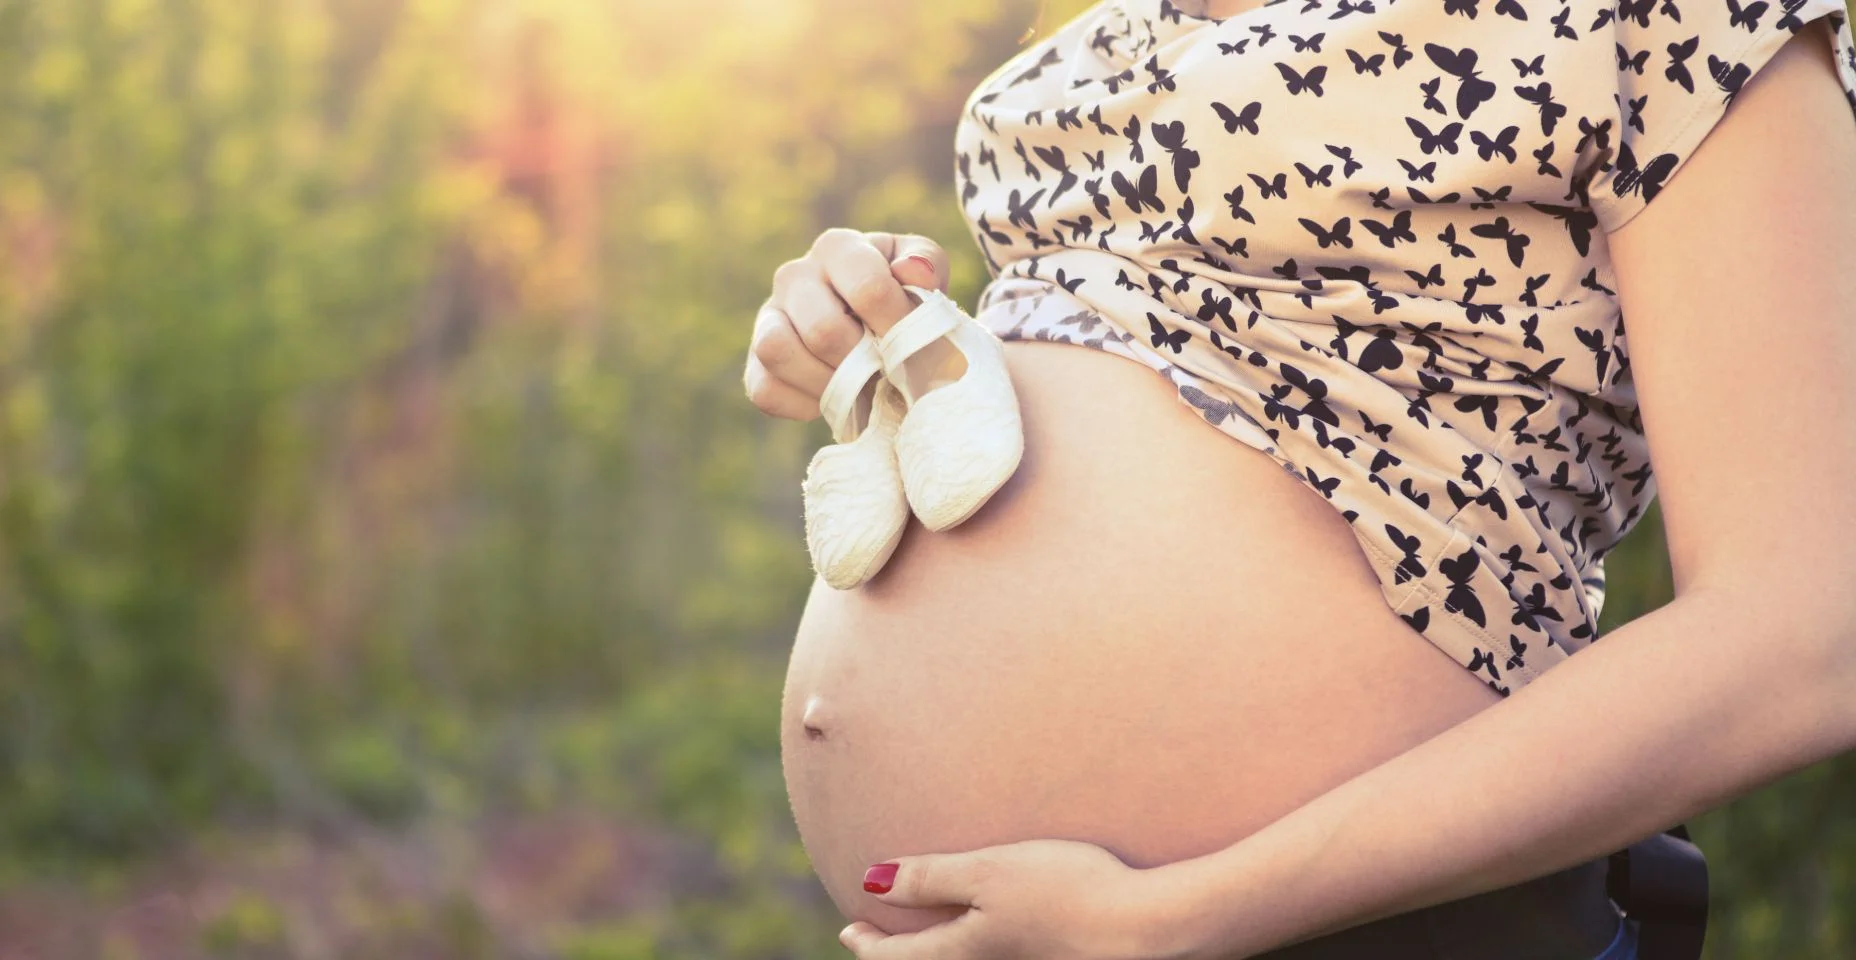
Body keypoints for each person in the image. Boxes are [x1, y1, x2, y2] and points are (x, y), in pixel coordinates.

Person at [746, 0, 1856, 957]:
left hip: (1350, 928)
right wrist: (865, 328)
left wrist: (1177, 920)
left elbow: (1805, 631)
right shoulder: (1094, 46)